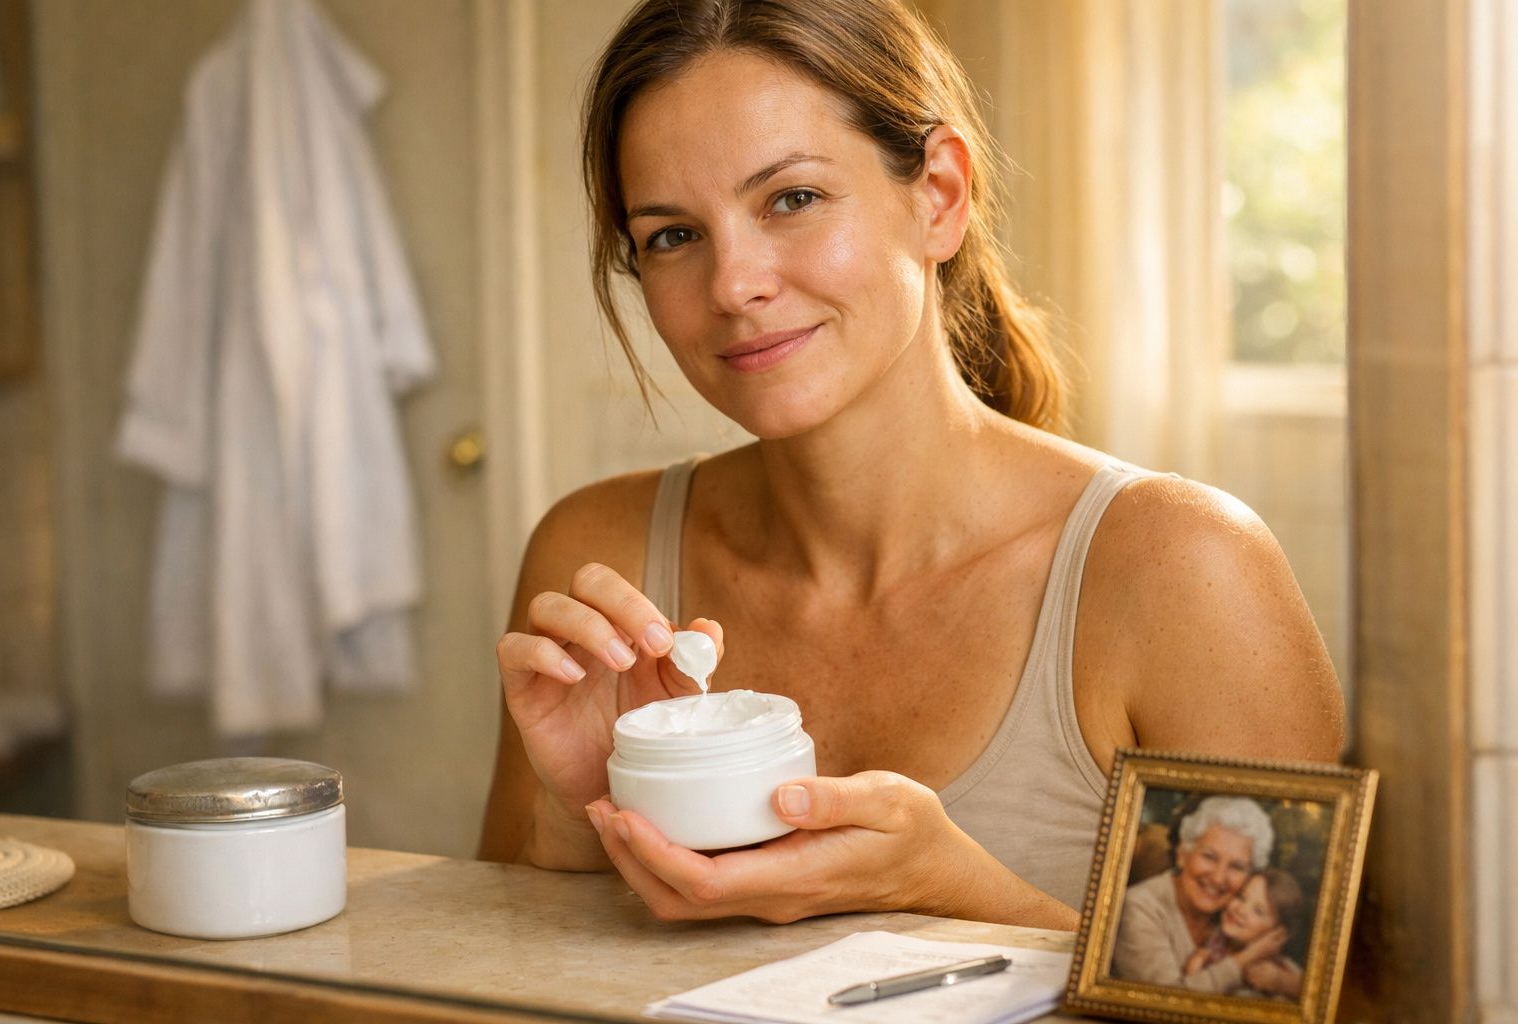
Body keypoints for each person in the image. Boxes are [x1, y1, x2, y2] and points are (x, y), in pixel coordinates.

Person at [477, 0, 1345, 930]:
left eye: (792, 199)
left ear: (939, 194)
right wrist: (585, 818)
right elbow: (493, 975)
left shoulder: (1184, 573)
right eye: (673, 236)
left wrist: (946, 889)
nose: (734, 285)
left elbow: (1301, 1001)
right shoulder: (597, 556)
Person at [1112, 797, 1295, 994]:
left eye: (1236, 866)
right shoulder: (1139, 908)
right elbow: (1168, 1004)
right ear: (1182, 854)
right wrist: (1243, 961)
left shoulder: (1233, 914)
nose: (1218, 878)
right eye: (1209, 856)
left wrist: (1286, 983)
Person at [1184, 868, 1306, 999]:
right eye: (1241, 897)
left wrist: (1282, 982)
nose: (1240, 910)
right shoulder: (1209, 942)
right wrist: (1194, 976)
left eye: (1258, 911)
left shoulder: (1276, 972)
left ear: (1279, 934)